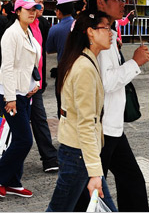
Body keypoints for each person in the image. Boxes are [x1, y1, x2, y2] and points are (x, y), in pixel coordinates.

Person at [74, 0, 149, 212]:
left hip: (112, 126)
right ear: (101, 3)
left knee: (131, 181)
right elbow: (106, 82)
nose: (123, 3)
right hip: (102, 128)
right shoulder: (99, 37)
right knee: (91, 190)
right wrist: (135, 62)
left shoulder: (109, 33)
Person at [46, 11, 117, 212]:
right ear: (90, 32)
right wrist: (95, 172)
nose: (111, 33)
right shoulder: (84, 66)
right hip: (79, 154)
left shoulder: (86, 59)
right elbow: (85, 122)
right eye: (106, 28)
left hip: (80, 152)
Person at [0, 0, 42, 199]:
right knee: (25, 140)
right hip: (11, 94)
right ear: (17, 11)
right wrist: (9, 98)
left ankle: (13, 181)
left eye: (35, 9)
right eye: (27, 9)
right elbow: (7, 67)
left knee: (19, 138)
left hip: (24, 92)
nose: (32, 12)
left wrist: (35, 84)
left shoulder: (28, 33)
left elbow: (30, 65)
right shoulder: (11, 34)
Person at [22, 0, 59, 173]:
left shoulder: (42, 23)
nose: (41, 6)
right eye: (37, 2)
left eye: (42, 2)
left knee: (40, 119)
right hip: (19, 85)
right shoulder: (17, 26)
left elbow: (49, 48)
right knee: (13, 123)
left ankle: (50, 159)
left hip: (36, 82)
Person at [46, 1, 75, 117]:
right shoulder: (80, 25)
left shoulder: (55, 29)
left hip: (63, 69)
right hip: (80, 68)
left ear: (59, 12)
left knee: (62, 103)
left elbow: (49, 49)